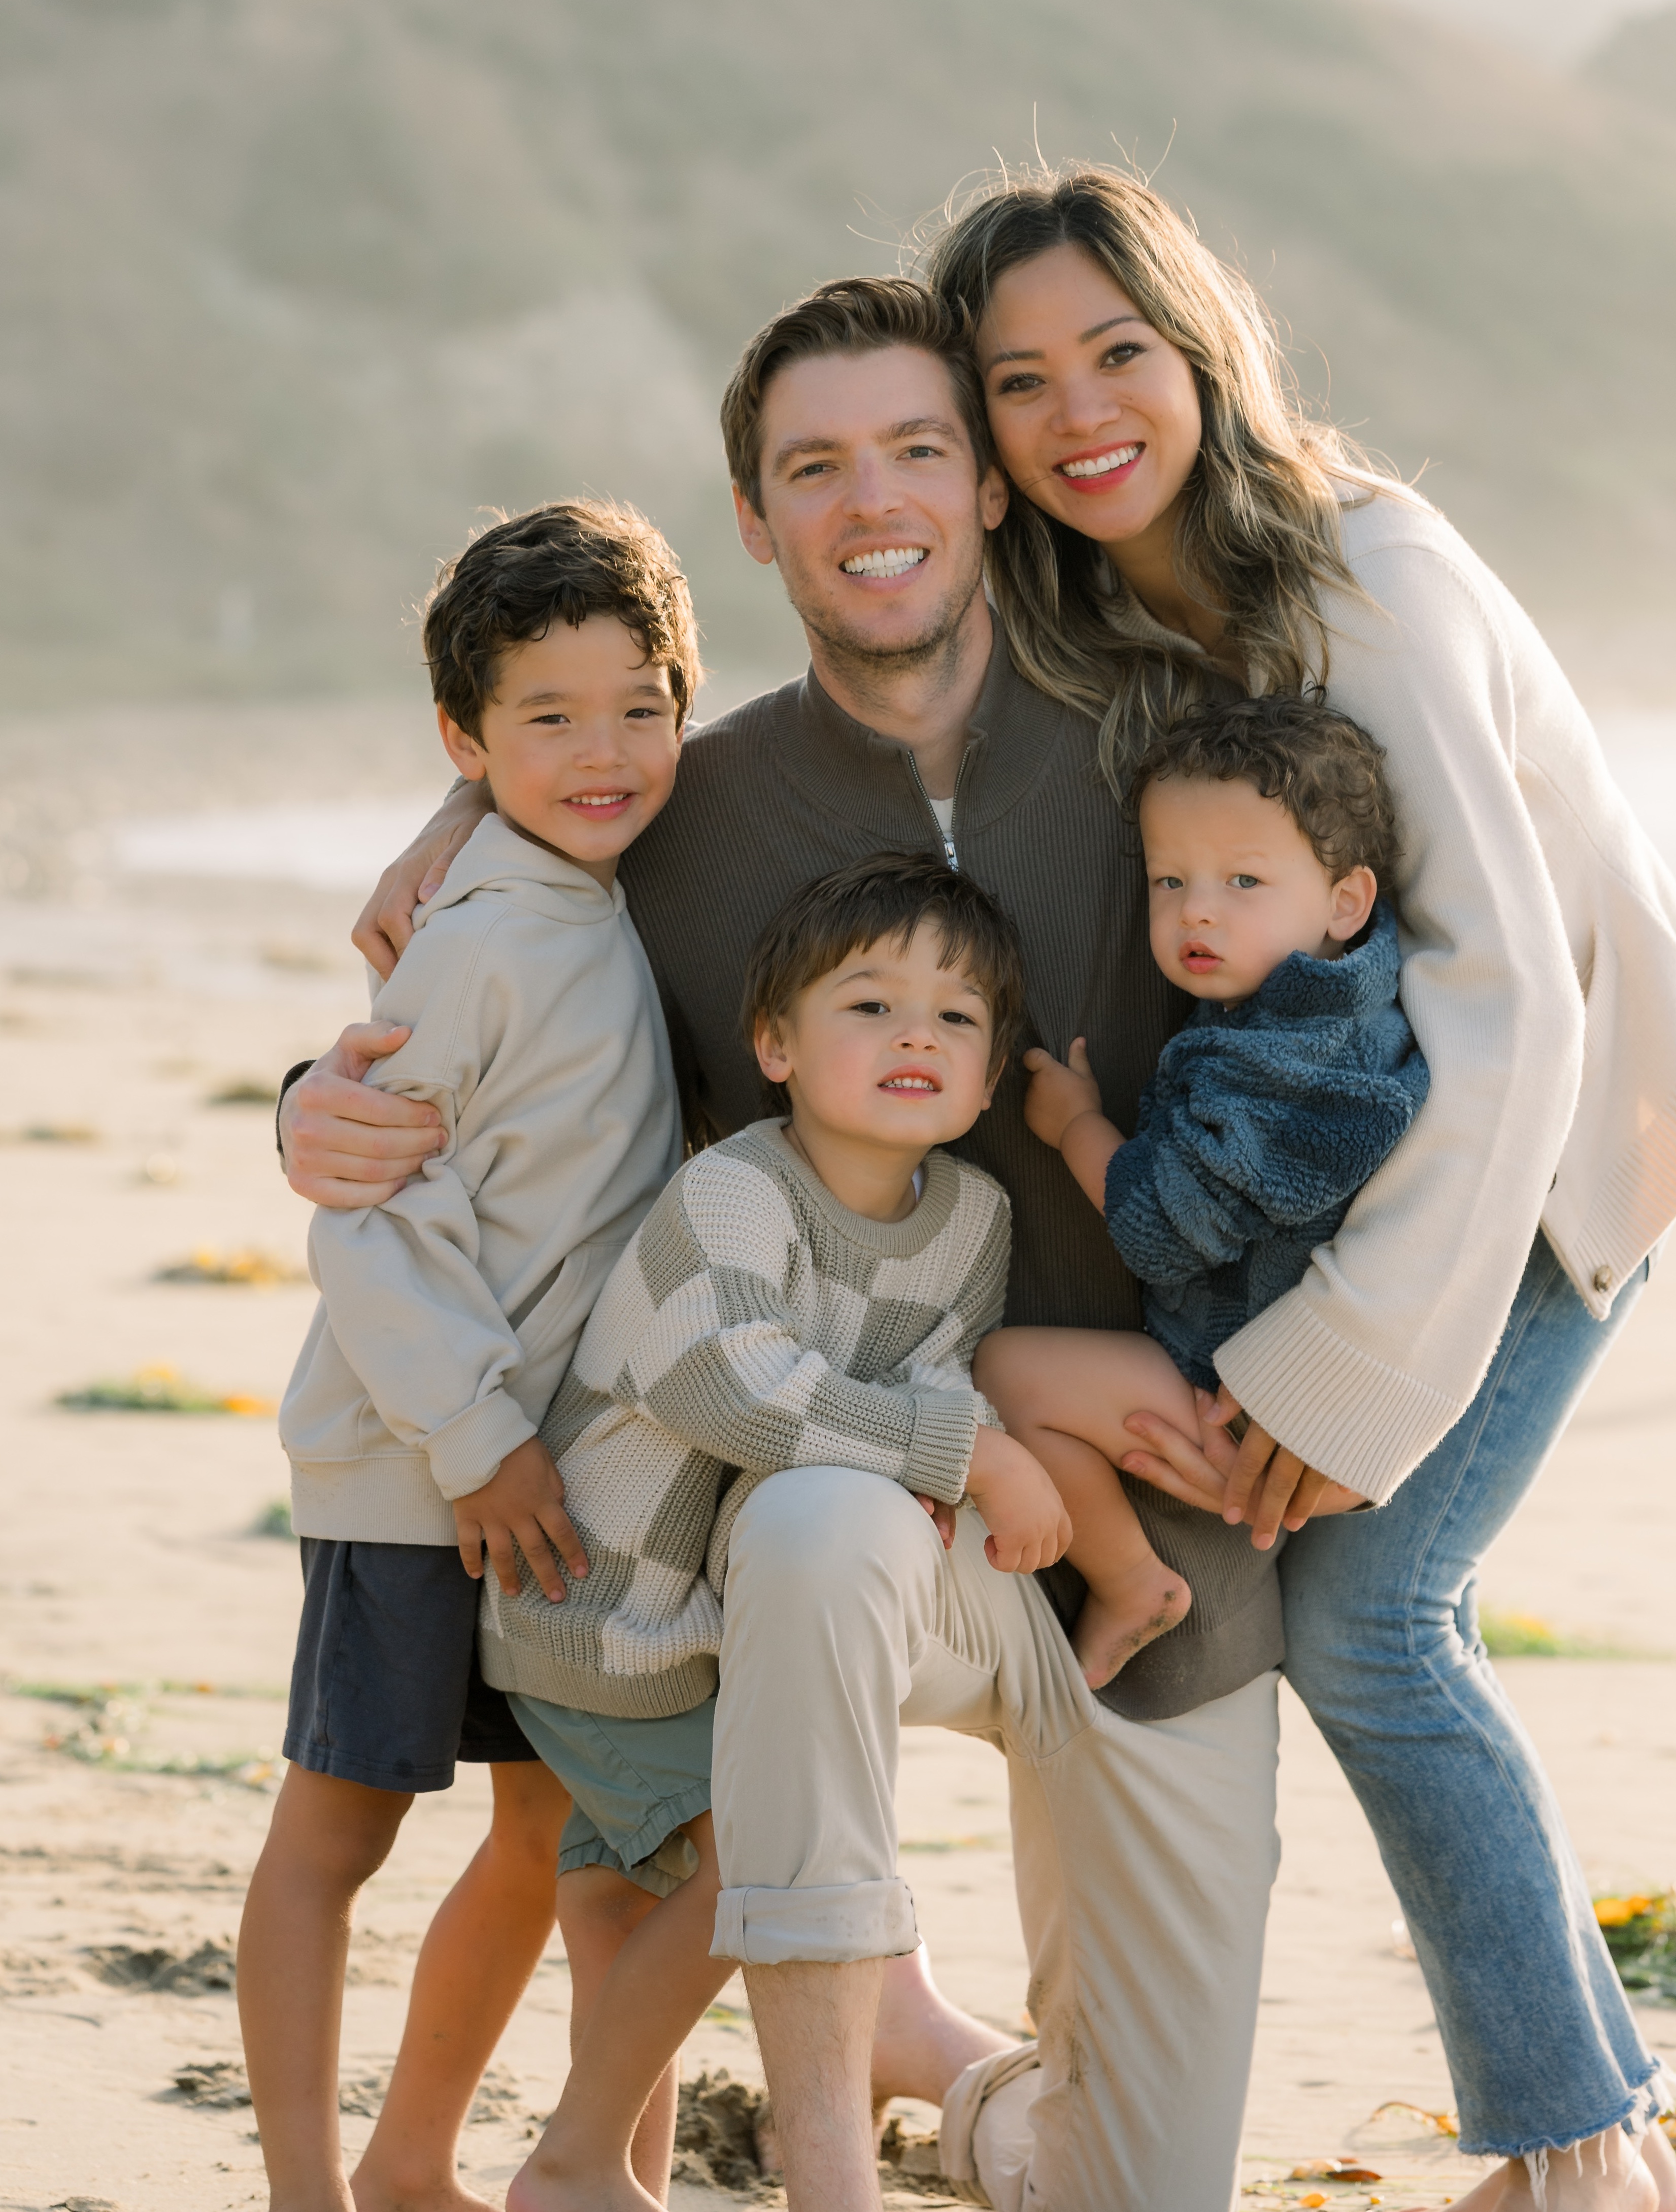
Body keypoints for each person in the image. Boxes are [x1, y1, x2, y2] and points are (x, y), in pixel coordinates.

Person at [281, 277, 1287, 2212]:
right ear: (752, 516)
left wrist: (1349, 1374)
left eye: (918, 447)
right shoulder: (682, 810)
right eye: (814, 465)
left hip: (1142, 1535)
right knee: (816, 1531)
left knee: (1143, 2184)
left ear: (988, 482)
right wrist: (311, 1085)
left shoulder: (1167, 738)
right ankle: (820, 2151)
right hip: (831, 1493)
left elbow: (1377, 969)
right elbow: (512, 908)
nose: (871, 497)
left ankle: (968, 2094)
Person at [923, 164, 1676, 2212]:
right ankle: (1601, 2133)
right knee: (1377, 1625)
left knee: (1376, 1625)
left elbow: (1514, 1004)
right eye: (1020, 378)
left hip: (1549, 1162)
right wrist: (467, 841)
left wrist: (1341, 1367)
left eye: (1117, 350)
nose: (1079, 408)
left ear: (1201, 347)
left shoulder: (1370, 579)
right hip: (1364, 1178)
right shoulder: (1118, 615)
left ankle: (1578, 2158)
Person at [489, 855, 1069, 2212]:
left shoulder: (972, 1218)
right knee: (753, 1870)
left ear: (991, 1075)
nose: (917, 1034)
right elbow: (733, 1386)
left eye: (957, 1016)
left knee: (633, 1905)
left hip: (728, 1622)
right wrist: (969, 1454)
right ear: (775, 1046)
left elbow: (933, 1373)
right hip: (612, 1613)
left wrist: (939, 1444)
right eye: (869, 1004)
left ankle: (608, 2169)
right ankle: (573, 2159)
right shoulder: (735, 1190)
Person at [242, 499, 694, 2212]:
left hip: (544, 1475)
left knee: (548, 1832)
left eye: (639, 706)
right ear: (467, 737)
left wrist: (520, 1451)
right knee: (336, 1830)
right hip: (413, 1463)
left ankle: (415, 2164)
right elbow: (371, 1216)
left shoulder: (604, 899)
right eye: (546, 717)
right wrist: (476, 1436)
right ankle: (307, 2190)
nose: (604, 752)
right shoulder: (483, 935)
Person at [976, 693, 1428, 1689]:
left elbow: (1162, 1227)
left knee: (1007, 1372)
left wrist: (1077, 1126)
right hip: (1286, 1379)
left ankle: (1131, 1581)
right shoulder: (1325, 1005)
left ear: (1346, 902)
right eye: (1169, 880)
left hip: (1238, 1403)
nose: (1198, 912)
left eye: (1243, 881)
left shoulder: (1288, 1058)